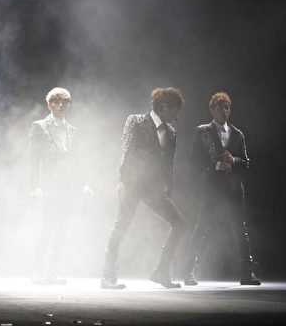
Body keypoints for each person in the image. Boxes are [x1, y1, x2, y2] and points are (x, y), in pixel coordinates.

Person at [101, 87, 187, 289]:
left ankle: (161, 272)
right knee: (121, 227)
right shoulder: (136, 121)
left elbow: (169, 162)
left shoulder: (171, 132)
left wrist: (168, 185)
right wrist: (122, 181)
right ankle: (107, 277)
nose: (176, 116)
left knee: (180, 224)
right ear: (164, 107)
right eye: (175, 110)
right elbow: (126, 150)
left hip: (153, 188)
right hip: (132, 184)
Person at [182, 92, 260, 286]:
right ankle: (187, 272)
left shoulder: (237, 133)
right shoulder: (202, 131)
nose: (225, 111)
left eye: (227, 107)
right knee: (202, 227)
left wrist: (233, 160)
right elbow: (194, 160)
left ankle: (247, 274)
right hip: (211, 187)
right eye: (220, 108)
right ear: (212, 110)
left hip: (233, 188)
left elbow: (246, 163)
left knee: (239, 229)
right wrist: (216, 165)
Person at [29, 87, 93, 285]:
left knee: (63, 228)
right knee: (49, 225)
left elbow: (76, 161)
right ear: (49, 105)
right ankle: (37, 270)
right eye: (56, 101)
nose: (61, 105)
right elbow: (33, 159)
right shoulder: (39, 127)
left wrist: (83, 185)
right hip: (50, 184)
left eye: (65, 101)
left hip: (69, 186)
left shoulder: (73, 131)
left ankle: (52, 271)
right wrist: (35, 186)